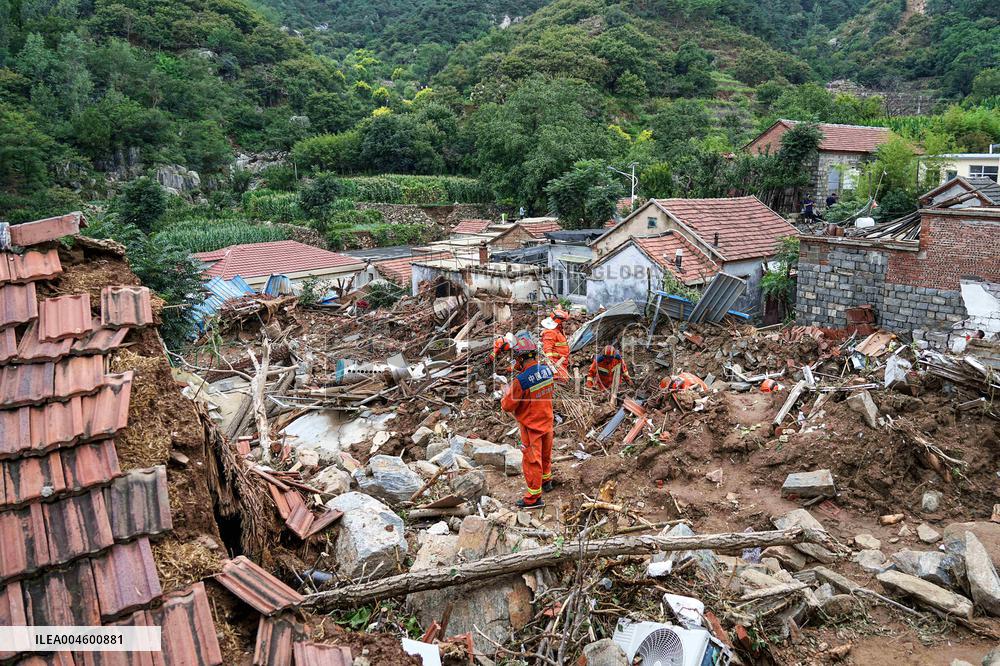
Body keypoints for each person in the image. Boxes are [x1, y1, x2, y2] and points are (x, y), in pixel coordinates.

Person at [500, 333, 555, 509]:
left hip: (531, 426)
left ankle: (533, 498)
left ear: (521, 358)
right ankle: (547, 482)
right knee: (546, 456)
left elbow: (508, 406)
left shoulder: (521, 380)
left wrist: (505, 394)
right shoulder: (547, 370)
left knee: (532, 461)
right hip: (547, 421)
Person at [540, 311, 571, 383]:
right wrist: (552, 368)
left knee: (564, 379)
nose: (565, 323)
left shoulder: (557, 330)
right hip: (556, 362)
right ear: (558, 321)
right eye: (564, 321)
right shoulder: (550, 332)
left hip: (560, 361)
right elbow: (548, 351)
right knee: (562, 380)